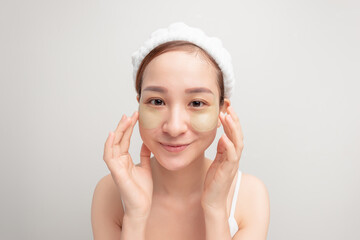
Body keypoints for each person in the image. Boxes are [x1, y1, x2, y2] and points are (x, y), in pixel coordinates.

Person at [91, 22, 270, 240]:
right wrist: (136, 216)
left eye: (196, 103)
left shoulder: (250, 197)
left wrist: (215, 209)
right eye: (157, 101)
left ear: (222, 112)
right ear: (139, 104)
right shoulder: (109, 193)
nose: (174, 127)